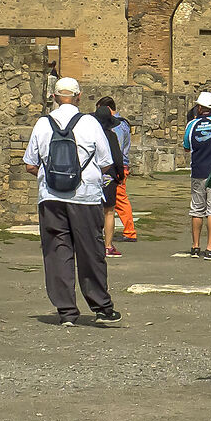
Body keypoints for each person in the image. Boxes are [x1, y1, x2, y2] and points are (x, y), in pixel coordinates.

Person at [23, 76, 123, 326]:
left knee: (57, 251)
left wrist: (52, 176)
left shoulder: (43, 123)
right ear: (79, 97)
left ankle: (66, 311)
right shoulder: (90, 123)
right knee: (91, 250)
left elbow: (29, 164)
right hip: (85, 196)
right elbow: (106, 162)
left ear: (55, 97)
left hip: (50, 197)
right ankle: (101, 306)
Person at [184, 93, 211, 258]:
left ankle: (195, 246)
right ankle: (210, 246)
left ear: (200, 107)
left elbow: (187, 147)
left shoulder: (192, 125)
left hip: (198, 171)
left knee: (196, 209)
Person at [96, 96, 137, 254]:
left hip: (114, 167)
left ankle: (129, 231)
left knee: (116, 202)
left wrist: (117, 171)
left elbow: (116, 148)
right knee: (114, 203)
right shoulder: (123, 123)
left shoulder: (117, 126)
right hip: (117, 166)